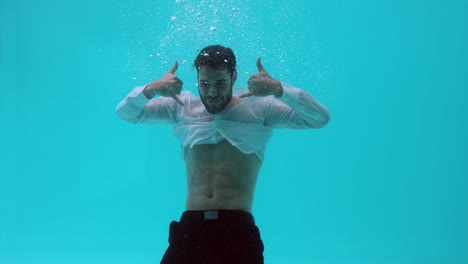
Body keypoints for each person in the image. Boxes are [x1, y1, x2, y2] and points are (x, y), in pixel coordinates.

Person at [115, 45, 330, 264]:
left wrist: (279, 88)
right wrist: (150, 89)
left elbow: (319, 118)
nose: (212, 92)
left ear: (234, 76)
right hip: (191, 229)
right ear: (197, 78)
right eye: (205, 83)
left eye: (220, 83)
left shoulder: (259, 109)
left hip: (237, 230)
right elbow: (126, 113)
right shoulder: (182, 107)